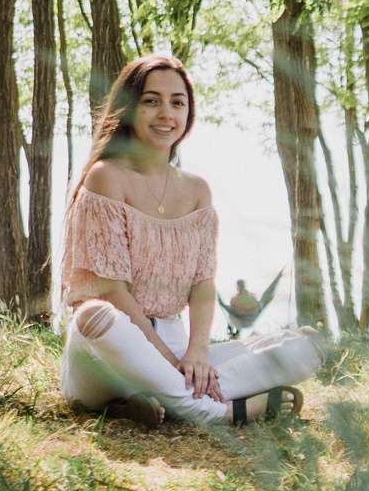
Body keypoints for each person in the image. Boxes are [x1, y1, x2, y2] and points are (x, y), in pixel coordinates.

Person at [59, 54, 319, 428]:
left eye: (177, 102)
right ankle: (209, 410)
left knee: (303, 347)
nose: (166, 113)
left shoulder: (197, 190)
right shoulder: (106, 177)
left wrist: (196, 355)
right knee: (97, 314)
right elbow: (112, 291)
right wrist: (167, 360)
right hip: (109, 346)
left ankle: (153, 401)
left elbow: (202, 284)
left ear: (188, 113)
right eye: (151, 101)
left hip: (177, 344)